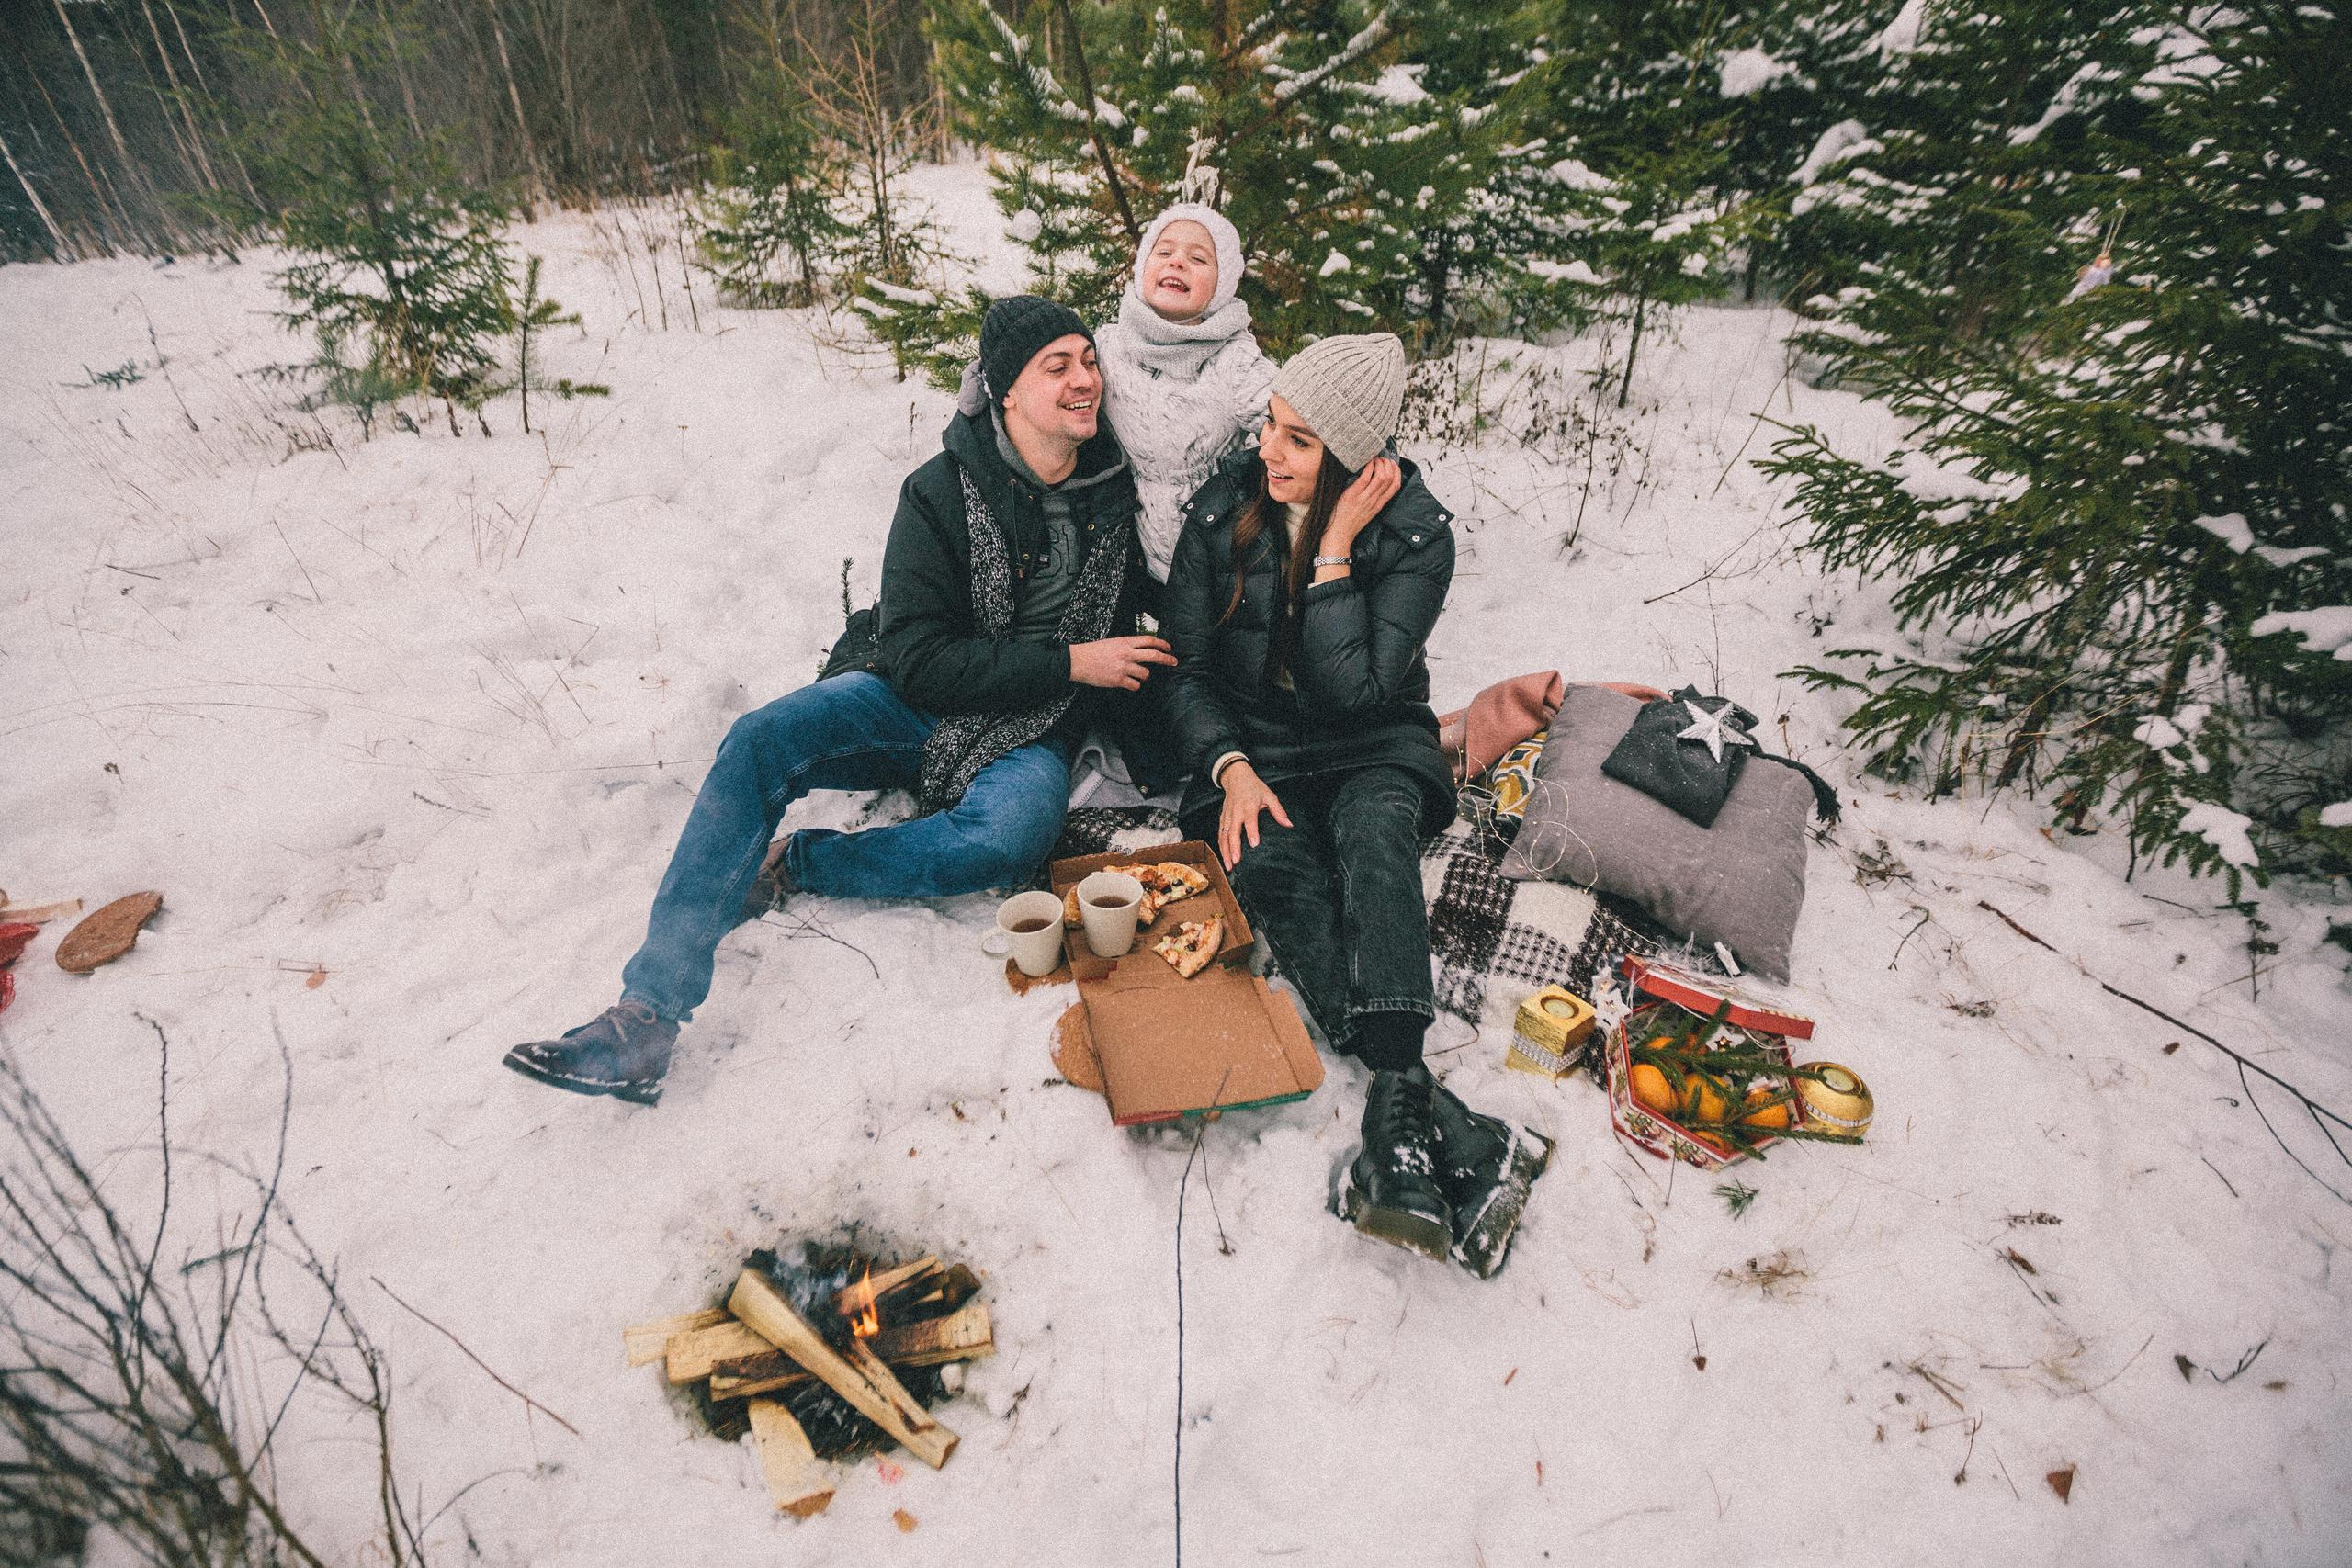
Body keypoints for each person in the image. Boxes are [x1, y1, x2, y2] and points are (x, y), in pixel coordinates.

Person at [503, 297, 1174, 1106]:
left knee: (1011, 833)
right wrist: (1073, 659)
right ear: (1005, 390)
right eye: (1056, 366)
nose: (1083, 380)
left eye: (1088, 360)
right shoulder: (938, 494)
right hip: (914, 700)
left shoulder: (1116, 495)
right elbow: (922, 662)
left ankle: (803, 862)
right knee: (759, 739)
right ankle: (646, 1014)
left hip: (1030, 730)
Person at [1161, 333, 1544, 1269]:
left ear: (1349, 456)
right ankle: (1415, 1107)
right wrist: (1228, 768)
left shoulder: (1417, 535)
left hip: (1370, 739)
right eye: (1270, 427)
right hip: (1256, 755)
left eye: (1297, 441)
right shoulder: (1220, 513)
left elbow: (1357, 692)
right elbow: (1185, 672)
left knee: (1375, 843)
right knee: (1277, 874)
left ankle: (1396, 1109)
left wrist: (1332, 553)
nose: (1267, 452)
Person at [1091, 202, 1276, 585]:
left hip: (1218, 565)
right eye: (1163, 252)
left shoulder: (1234, 359)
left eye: (1198, 258)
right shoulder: (1108, 347)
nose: (1177, 262)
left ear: (1221, 285)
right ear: (1143, 267)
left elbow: (1292, 418)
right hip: (1130, 560)